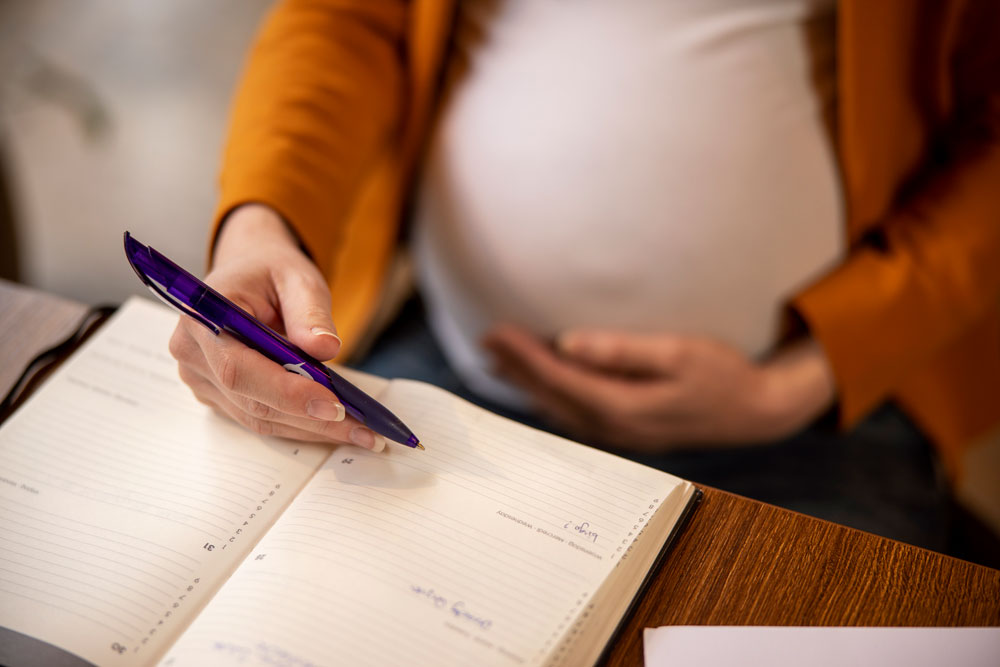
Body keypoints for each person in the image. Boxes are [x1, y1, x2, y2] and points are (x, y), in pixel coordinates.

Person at [168, 0, 1000, 550]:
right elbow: (347, 18)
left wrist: (805, 378)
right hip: (456, 385)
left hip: (818, 421)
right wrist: (262, 217)